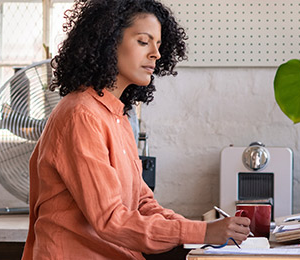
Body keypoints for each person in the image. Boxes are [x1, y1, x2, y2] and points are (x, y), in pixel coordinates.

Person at [22, 0, 251, 259]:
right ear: (108, 43)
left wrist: (205, 229)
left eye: (159, 45)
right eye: (144, 41)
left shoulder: (117, 115)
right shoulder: (81, 115)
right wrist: (202, 232)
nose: (156, 54)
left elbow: (142, 202)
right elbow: (109, 219)